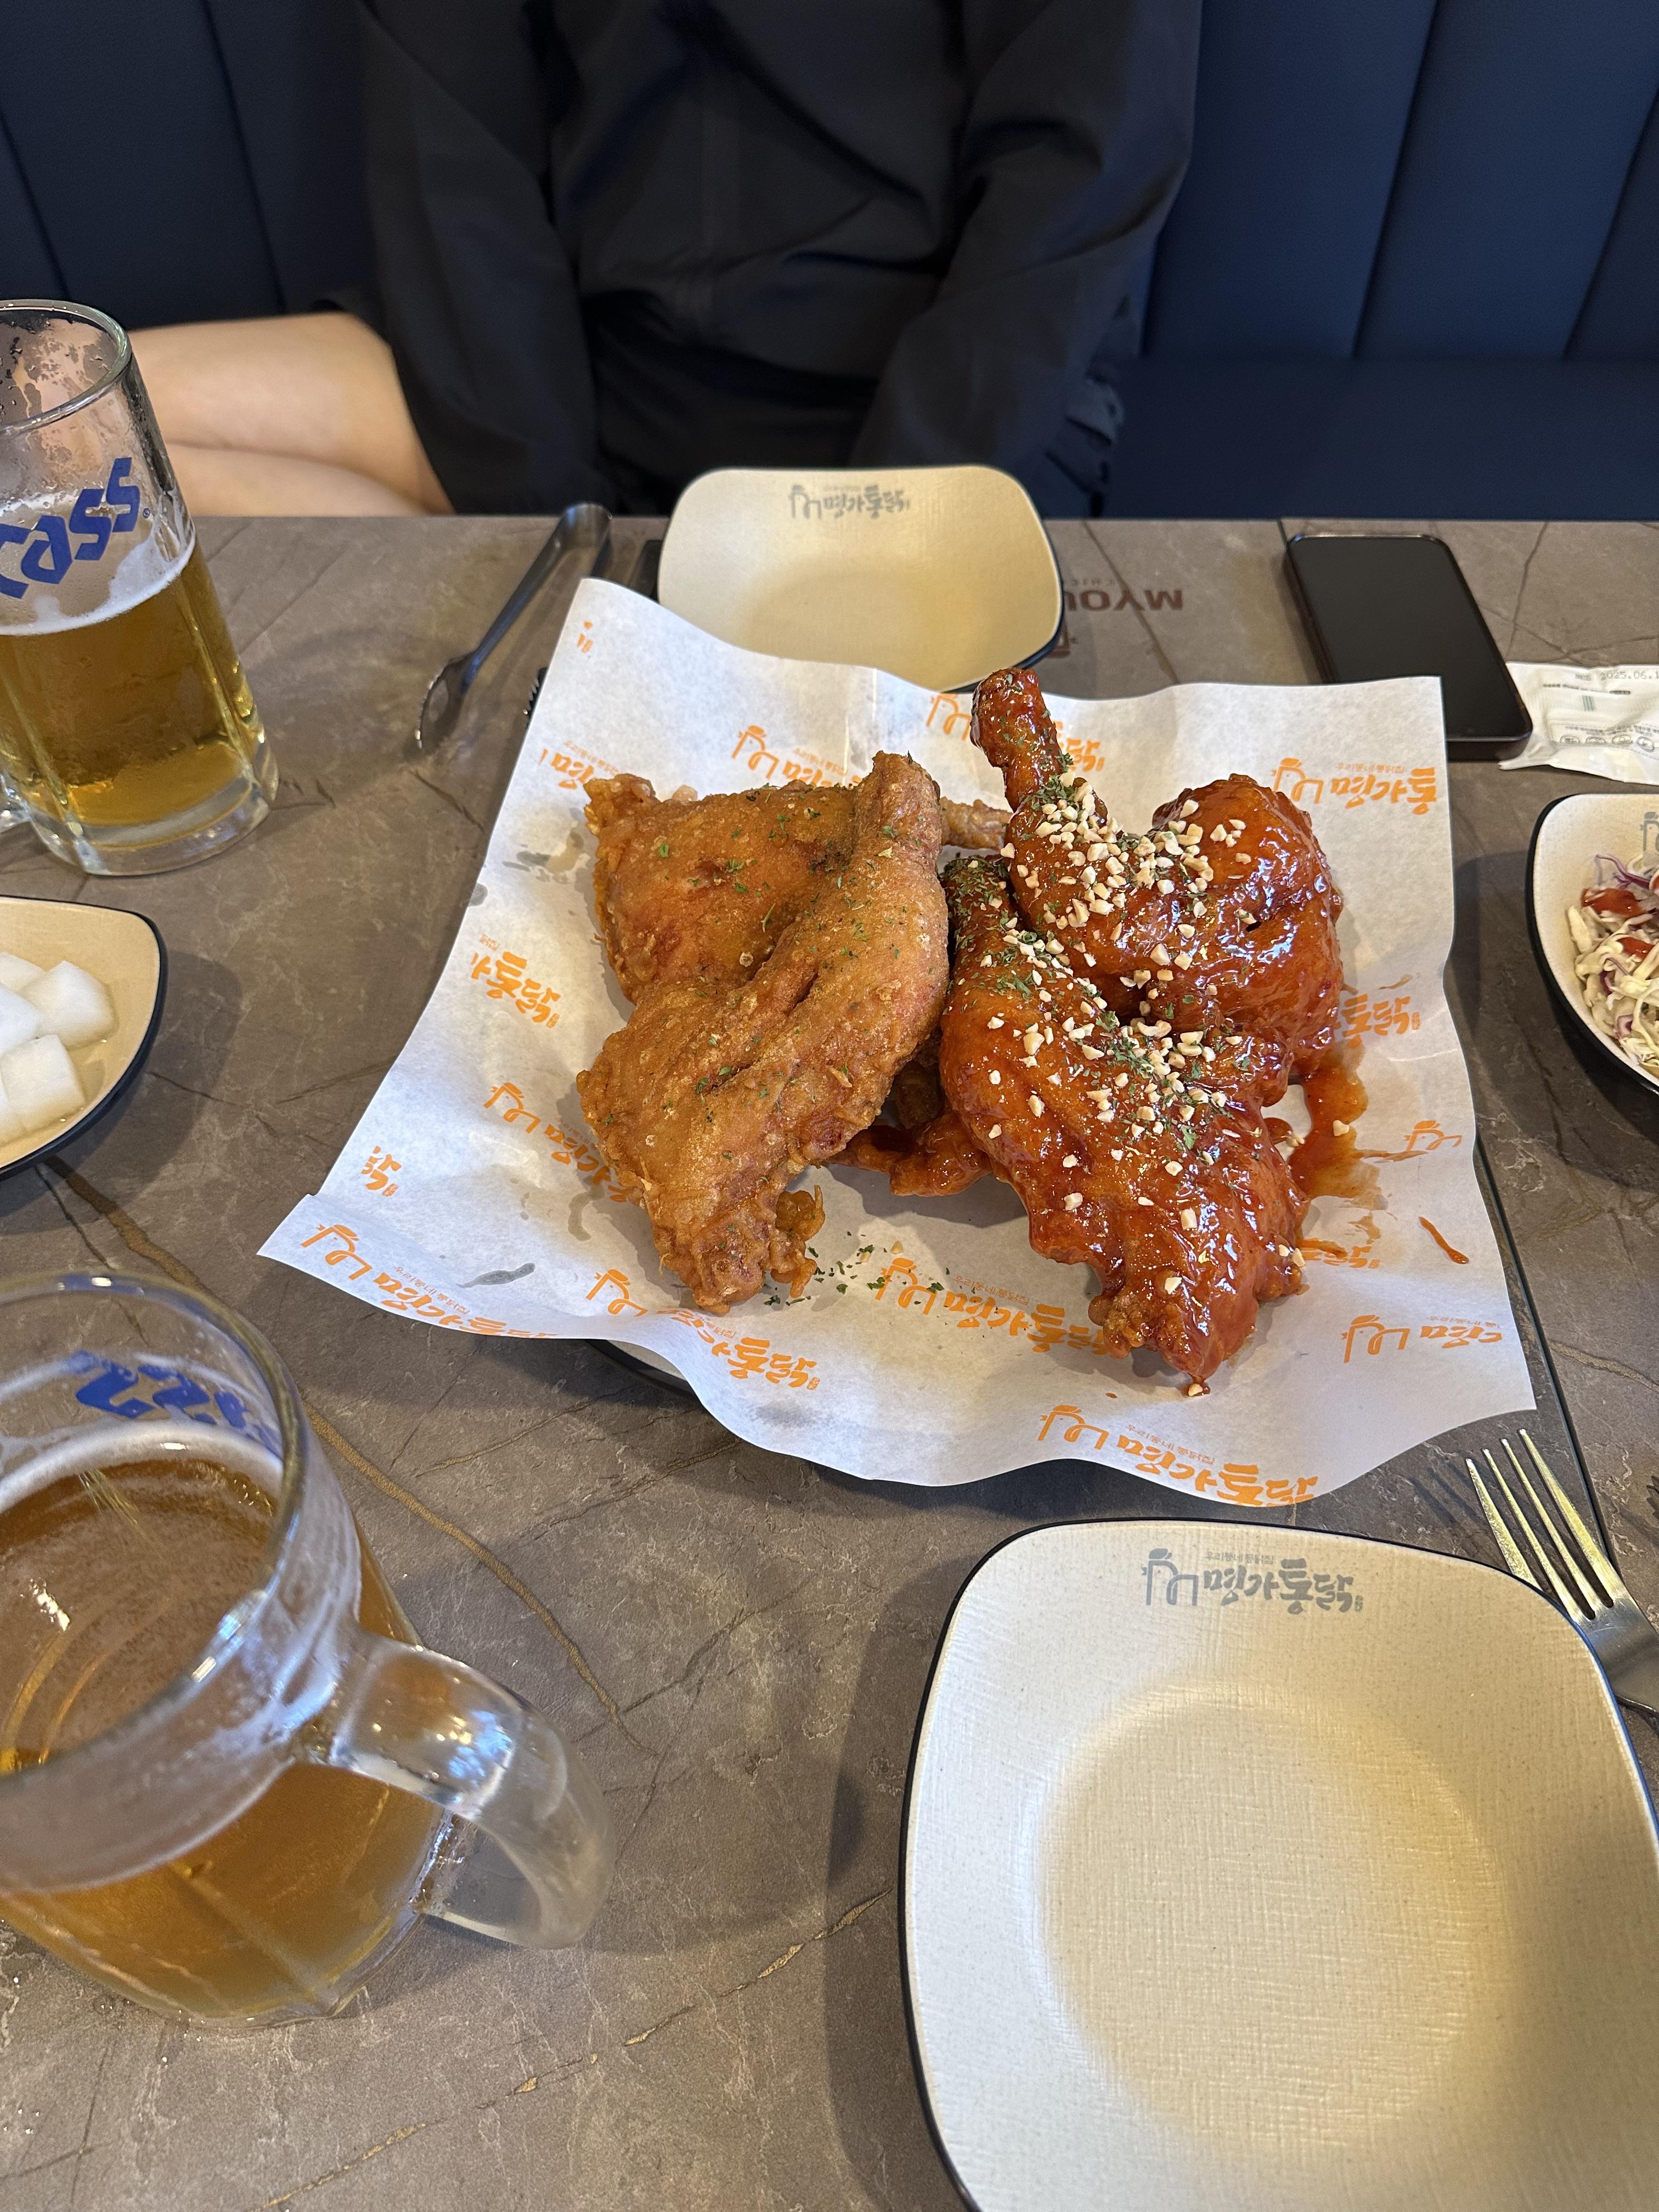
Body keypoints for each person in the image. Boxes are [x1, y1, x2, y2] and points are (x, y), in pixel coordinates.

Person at [137, 1, 1199, 521]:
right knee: (64, 434)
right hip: (573, 374)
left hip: (947, 405)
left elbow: (1087, 162)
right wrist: (558, 529)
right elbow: (451, 145)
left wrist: (884, 530)